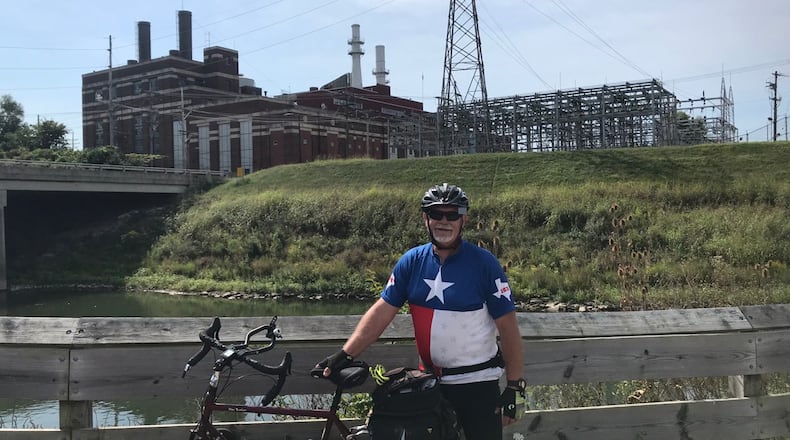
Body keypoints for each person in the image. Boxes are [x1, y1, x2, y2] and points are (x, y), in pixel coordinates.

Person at [316, 183, 525, 440]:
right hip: (428, 386)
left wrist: (514, 386)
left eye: (452, 215)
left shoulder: (484, 264)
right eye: (436, 214)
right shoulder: (412, 261)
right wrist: (345, 354)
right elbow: (383, 310)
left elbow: (508, 327)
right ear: (425, 218)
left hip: (478, 387)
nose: (444, 221)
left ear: (464, 219)